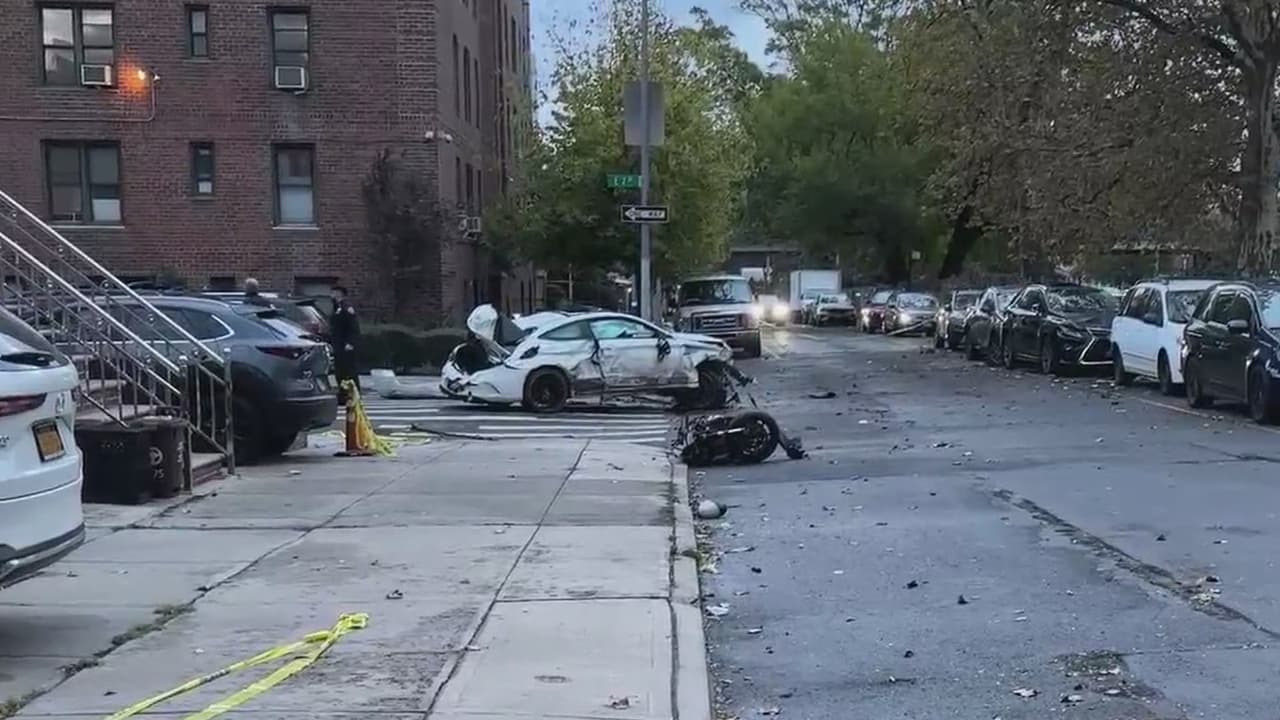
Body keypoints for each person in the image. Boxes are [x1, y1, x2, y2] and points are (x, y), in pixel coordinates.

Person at [329, 285, 360, 402]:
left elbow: (353, 327)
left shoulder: (347, 308)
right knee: (340, 371)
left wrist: (350, 343)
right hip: (338, 344)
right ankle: (343, 394)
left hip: (345, 346)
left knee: (349, 371)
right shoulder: (337, 308)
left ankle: (353, 394)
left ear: (339, 293)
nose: (331, 295)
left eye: (333, 292)